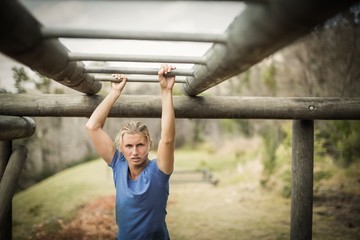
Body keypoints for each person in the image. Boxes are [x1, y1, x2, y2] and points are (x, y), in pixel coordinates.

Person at [86, 64, 176, 240]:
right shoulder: (118, 165)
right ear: (121, 148)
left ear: (149, 145)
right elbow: (92, 126)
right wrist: (114, 92)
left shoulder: (159, 171)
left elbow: (167, 139)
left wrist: (166, 91)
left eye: (140, 145)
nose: (135, 152)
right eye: (129, 146)